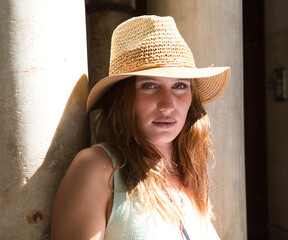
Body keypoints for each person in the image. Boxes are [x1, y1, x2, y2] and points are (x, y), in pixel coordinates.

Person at [51, 15, 230, 240]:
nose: (167, 105)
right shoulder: (98, 167)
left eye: (180, 86)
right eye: (149, 85)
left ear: (192, 98)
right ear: (123, 98)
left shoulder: (188, 174)